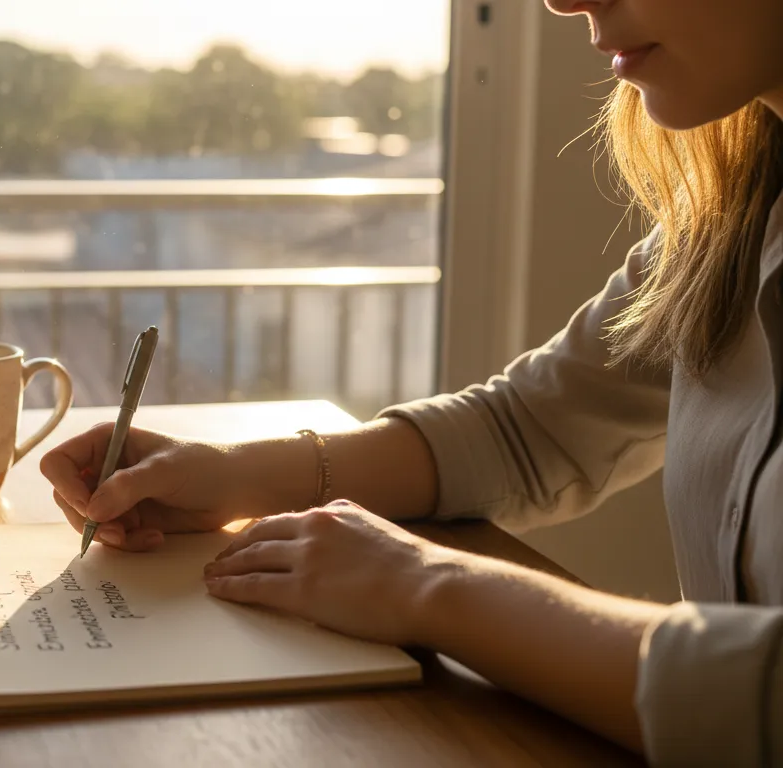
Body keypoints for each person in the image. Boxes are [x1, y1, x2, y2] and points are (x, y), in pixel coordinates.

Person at [40, 1, 783, 764]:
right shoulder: (731, 218)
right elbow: (529, 430)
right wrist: (232, 477)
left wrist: (432, 587)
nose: (564, 1)